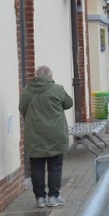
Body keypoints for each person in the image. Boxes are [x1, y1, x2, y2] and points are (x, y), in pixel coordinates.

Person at [20, 65, 74, 207]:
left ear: (36, 76)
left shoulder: (26, 91)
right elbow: (69, 103)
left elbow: (22, 108)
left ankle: (40, 198)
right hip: (55, 134)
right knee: (55, 166)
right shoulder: (57, 89)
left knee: (37, 166)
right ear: (50, 76)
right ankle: (53, 196)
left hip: (34, 134)